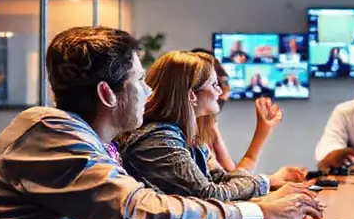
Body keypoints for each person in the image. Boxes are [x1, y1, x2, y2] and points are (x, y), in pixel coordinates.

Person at [0, 27, 322, 219]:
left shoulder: (86, 140)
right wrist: (257, 213)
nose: (148, 90)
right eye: (139, 80)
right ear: (107, 95)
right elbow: (145, 216)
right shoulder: (49, 133)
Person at [119, 51, 306, 203]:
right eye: (214, 84)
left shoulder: (187, 136)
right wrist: (267, 182)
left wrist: (270, 186)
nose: (220, 91)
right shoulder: (159, 138)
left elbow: (224, 179)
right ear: (192, 95)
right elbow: (209, 194)